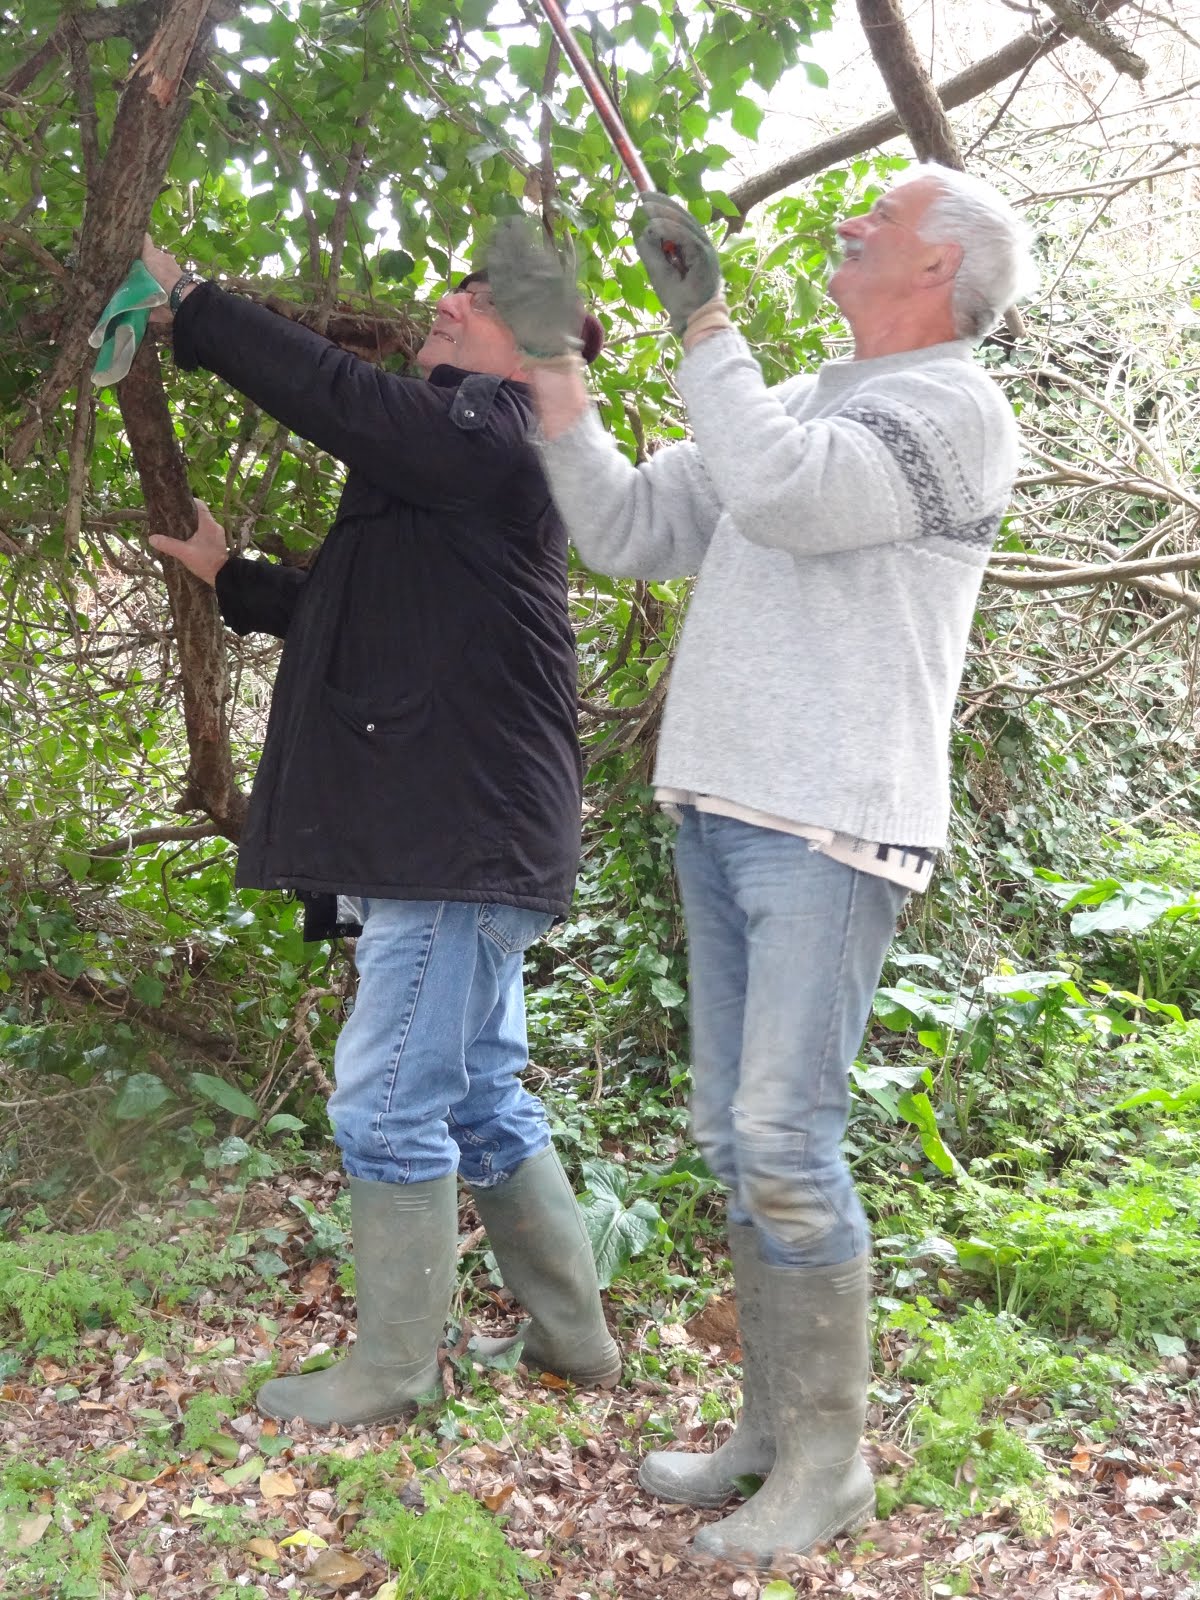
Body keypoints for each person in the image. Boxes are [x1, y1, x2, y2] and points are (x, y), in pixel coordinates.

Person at [485, 164, 1034, 1567]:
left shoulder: (956, 411)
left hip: (833, 819)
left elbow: (789, 500)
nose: (855, 223)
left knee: (785, 1141)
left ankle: (830, 1469)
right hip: (726, 805)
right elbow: (622, 530)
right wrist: (552, 368)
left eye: (884, 220)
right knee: (743, 1145)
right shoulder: (790, 397)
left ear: (941, 269)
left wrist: (704, 324)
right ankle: (773, 1435)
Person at [138, 239, 621, 1427]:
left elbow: (342, 398)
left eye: (481, 295)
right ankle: (573, 1339)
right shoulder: (459, 464)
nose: (449, 302)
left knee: (390, 1099)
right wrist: (231, 574)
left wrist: (195, 303)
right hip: (463, 835)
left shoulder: (500, 429)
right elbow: (350, 606)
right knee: (479, 1094)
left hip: (454, 841)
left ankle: (394, 1373)